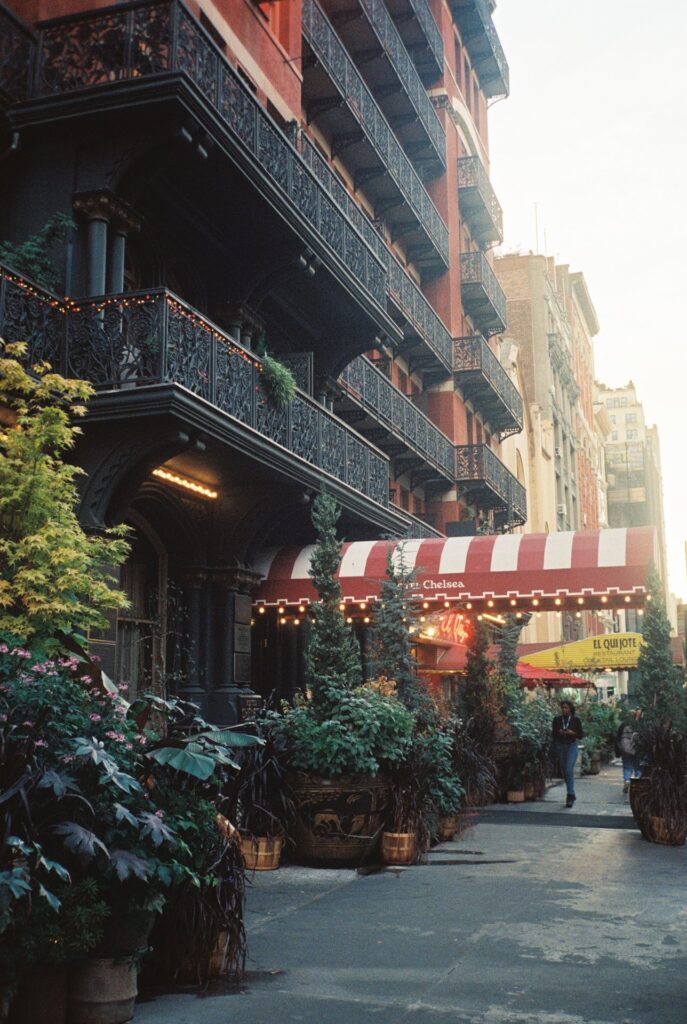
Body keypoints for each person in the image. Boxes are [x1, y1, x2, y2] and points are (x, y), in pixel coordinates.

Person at [551, 699, 584, 808]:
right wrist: (560, 732)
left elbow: (580, 735)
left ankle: (570, 795)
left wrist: (572, 733)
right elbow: (553, 734)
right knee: (565, 772)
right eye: (563, 708)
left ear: (570, 709)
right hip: (560, 746)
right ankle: (572, 793)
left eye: (566, 708)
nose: (564, 710)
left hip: (571, 746)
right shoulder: (557, 720)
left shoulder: (575, 720)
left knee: (569, 770)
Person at [615, 708, 642, 794]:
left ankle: (627, 781)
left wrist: (618, 750)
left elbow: (618, 737)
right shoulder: (640, 725)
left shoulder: (624, 724)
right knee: (638, 767)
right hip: (638, 749)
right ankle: (637, 783)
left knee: (627, 766)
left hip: (626, 749)